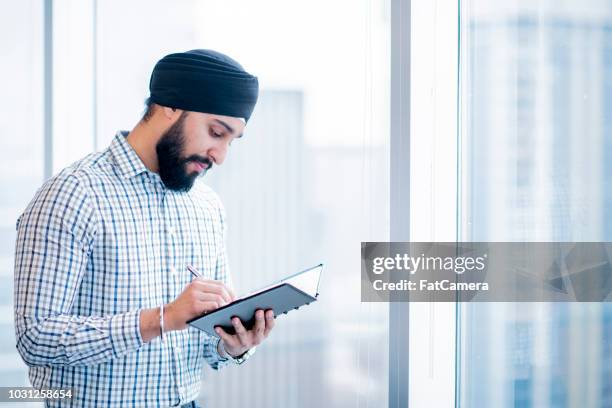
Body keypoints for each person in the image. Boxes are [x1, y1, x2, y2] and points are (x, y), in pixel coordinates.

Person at [13, 49, 275, 408]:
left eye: (231, 140)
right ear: (170, 106)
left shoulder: (207, 206)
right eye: (216, 132)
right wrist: (161, 319)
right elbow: (35, 338)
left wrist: (231, 344)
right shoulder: (74, 194)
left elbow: (203, 340)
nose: (221, 155)